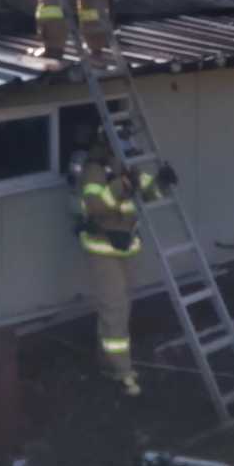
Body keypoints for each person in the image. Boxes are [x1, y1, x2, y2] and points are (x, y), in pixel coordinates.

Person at [72, 126, 160, 397]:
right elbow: (95, 205)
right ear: (108, 144)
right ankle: (122, 371)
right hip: (103, 250)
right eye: (122, 143)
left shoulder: (126, 167)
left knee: (120, 308)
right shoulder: (94, 170)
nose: (128, 148)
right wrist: (121, 186)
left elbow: (152, 192)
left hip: (127, 248)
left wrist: (162, 182)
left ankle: (107, 363)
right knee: (114, 308)